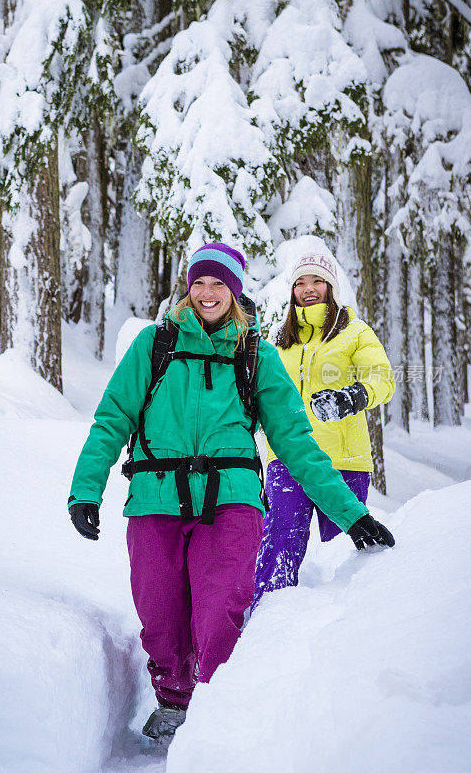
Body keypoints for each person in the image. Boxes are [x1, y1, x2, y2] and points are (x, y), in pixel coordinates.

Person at [68, 242, 394, 742]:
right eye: (199, 282)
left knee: (220, 610)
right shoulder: (155, 346)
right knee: (159, 611)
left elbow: (297, 445)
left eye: (219, 283)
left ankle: (216, 712)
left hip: (232, 502)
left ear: (236, 292)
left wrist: (352, 515)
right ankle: (174, 699)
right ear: (188, 287)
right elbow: (112, 420)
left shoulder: (257, 355)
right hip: (155, 499)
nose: (207, 292)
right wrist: (85, 491)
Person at [252, 251, 396, 611]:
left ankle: (349, 630)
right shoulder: (280, 342)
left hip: (343, 460)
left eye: (316, 280)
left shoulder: (354, 332)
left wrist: (353, 395)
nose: (308, 289)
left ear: (330, 286)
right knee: (279, 541)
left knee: (347, 549)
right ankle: (266, 621)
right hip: (288, 460)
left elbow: (383, 377)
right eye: (300, 283)